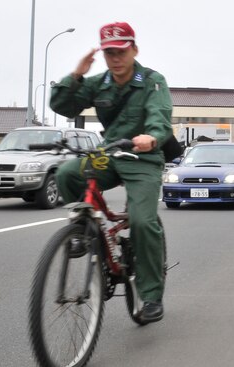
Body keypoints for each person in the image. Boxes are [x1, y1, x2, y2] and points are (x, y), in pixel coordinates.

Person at [51, 21, 173, 324]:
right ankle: (84, 229)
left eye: (121, 51)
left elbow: (160, 117)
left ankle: (151, 296)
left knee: (144, 223)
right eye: (109, 53)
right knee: (67, 173)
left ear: (134, 49)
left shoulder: (153, 81)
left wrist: (152, 137)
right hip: (110, 155)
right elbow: (63, 106)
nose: (115, 58)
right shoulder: (99, 82)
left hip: (143, 158)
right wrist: (77, 75)